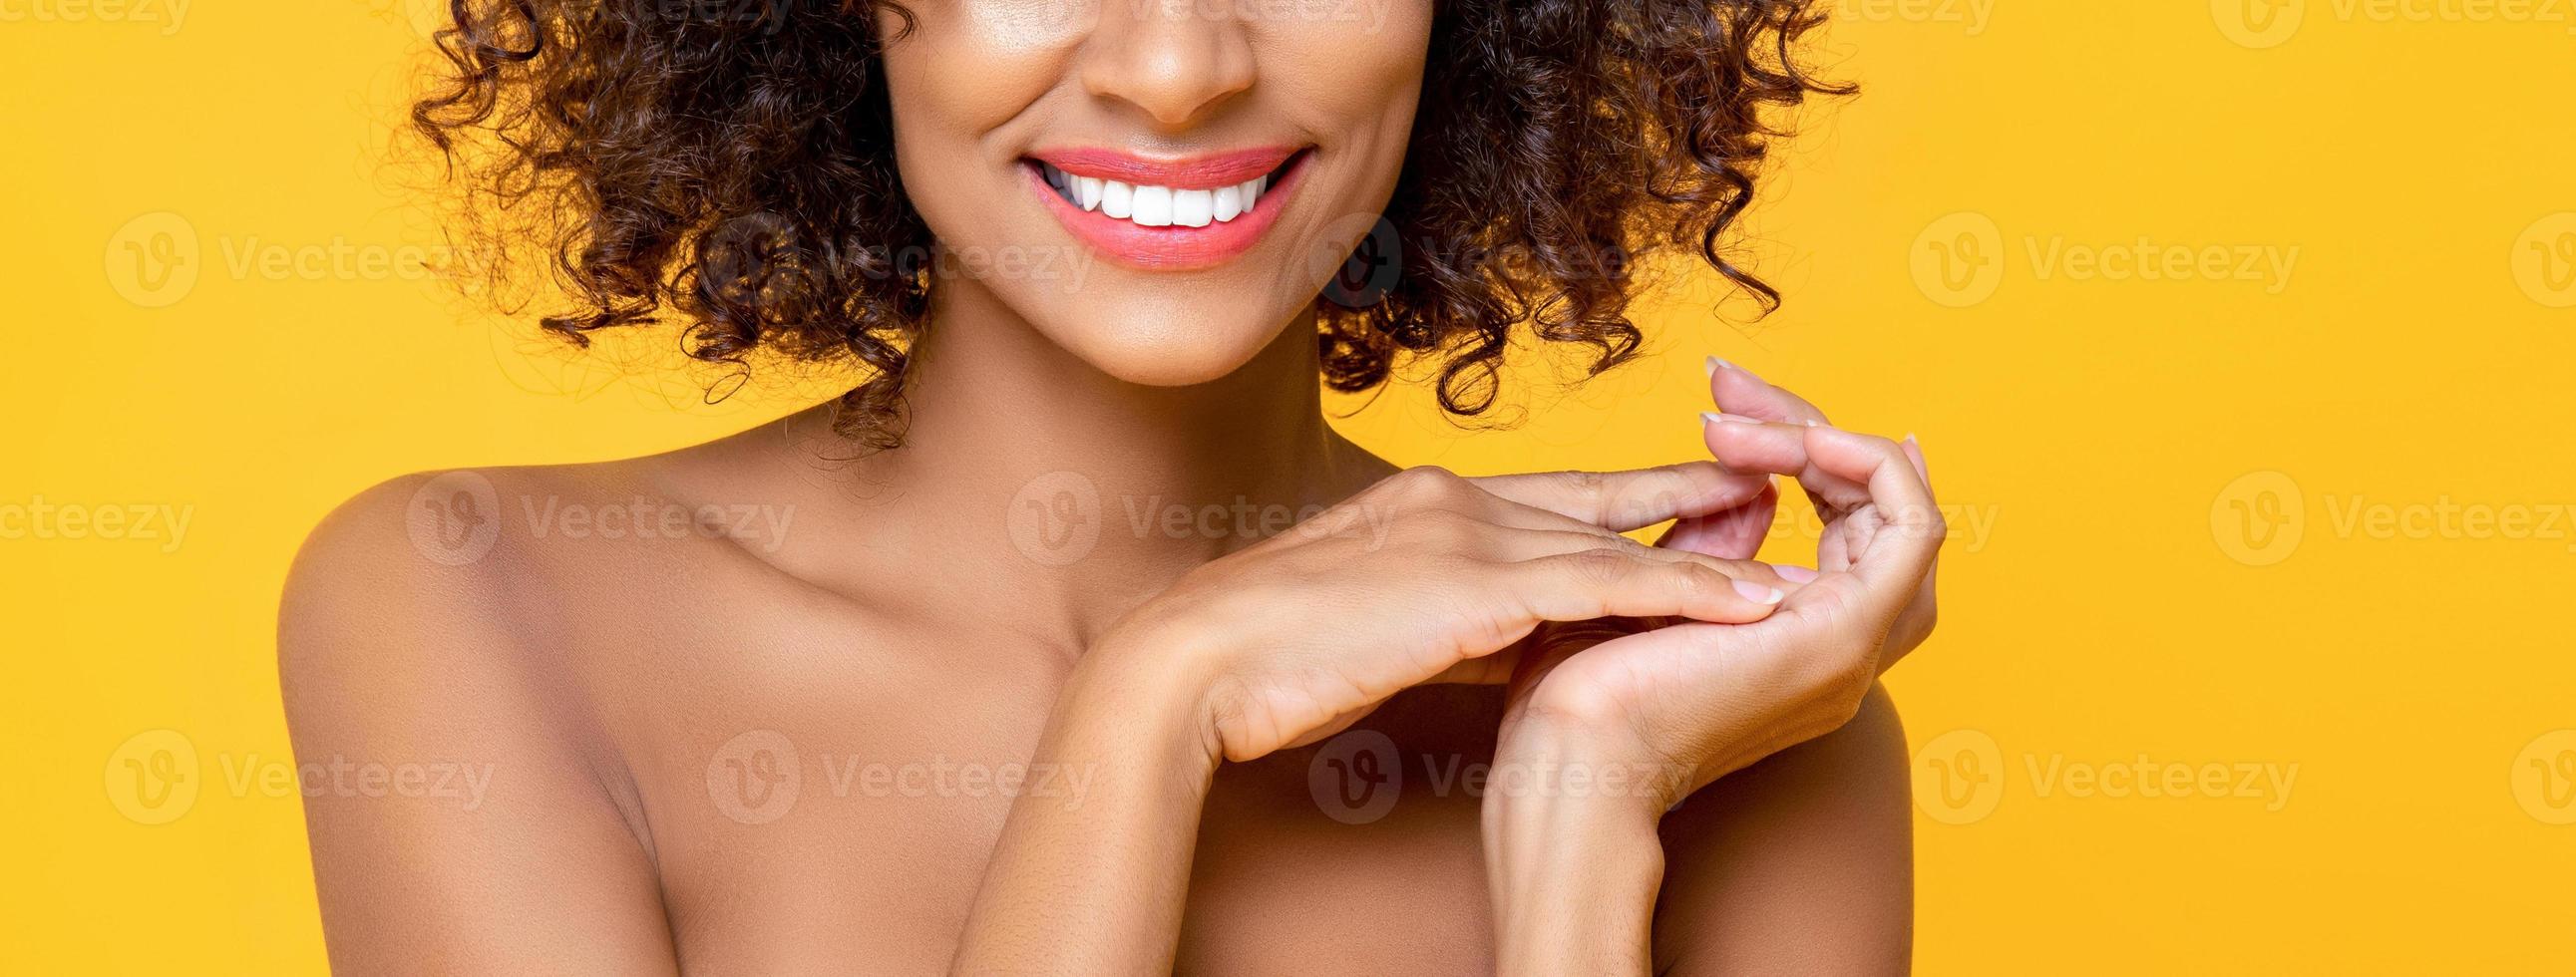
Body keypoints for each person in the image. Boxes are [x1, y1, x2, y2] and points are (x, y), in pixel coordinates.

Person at [282, 1, 1944, 971]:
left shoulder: (1718, 725)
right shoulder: (476, 599)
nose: (1176, 67)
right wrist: (1150, 705)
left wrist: (1583, 826)